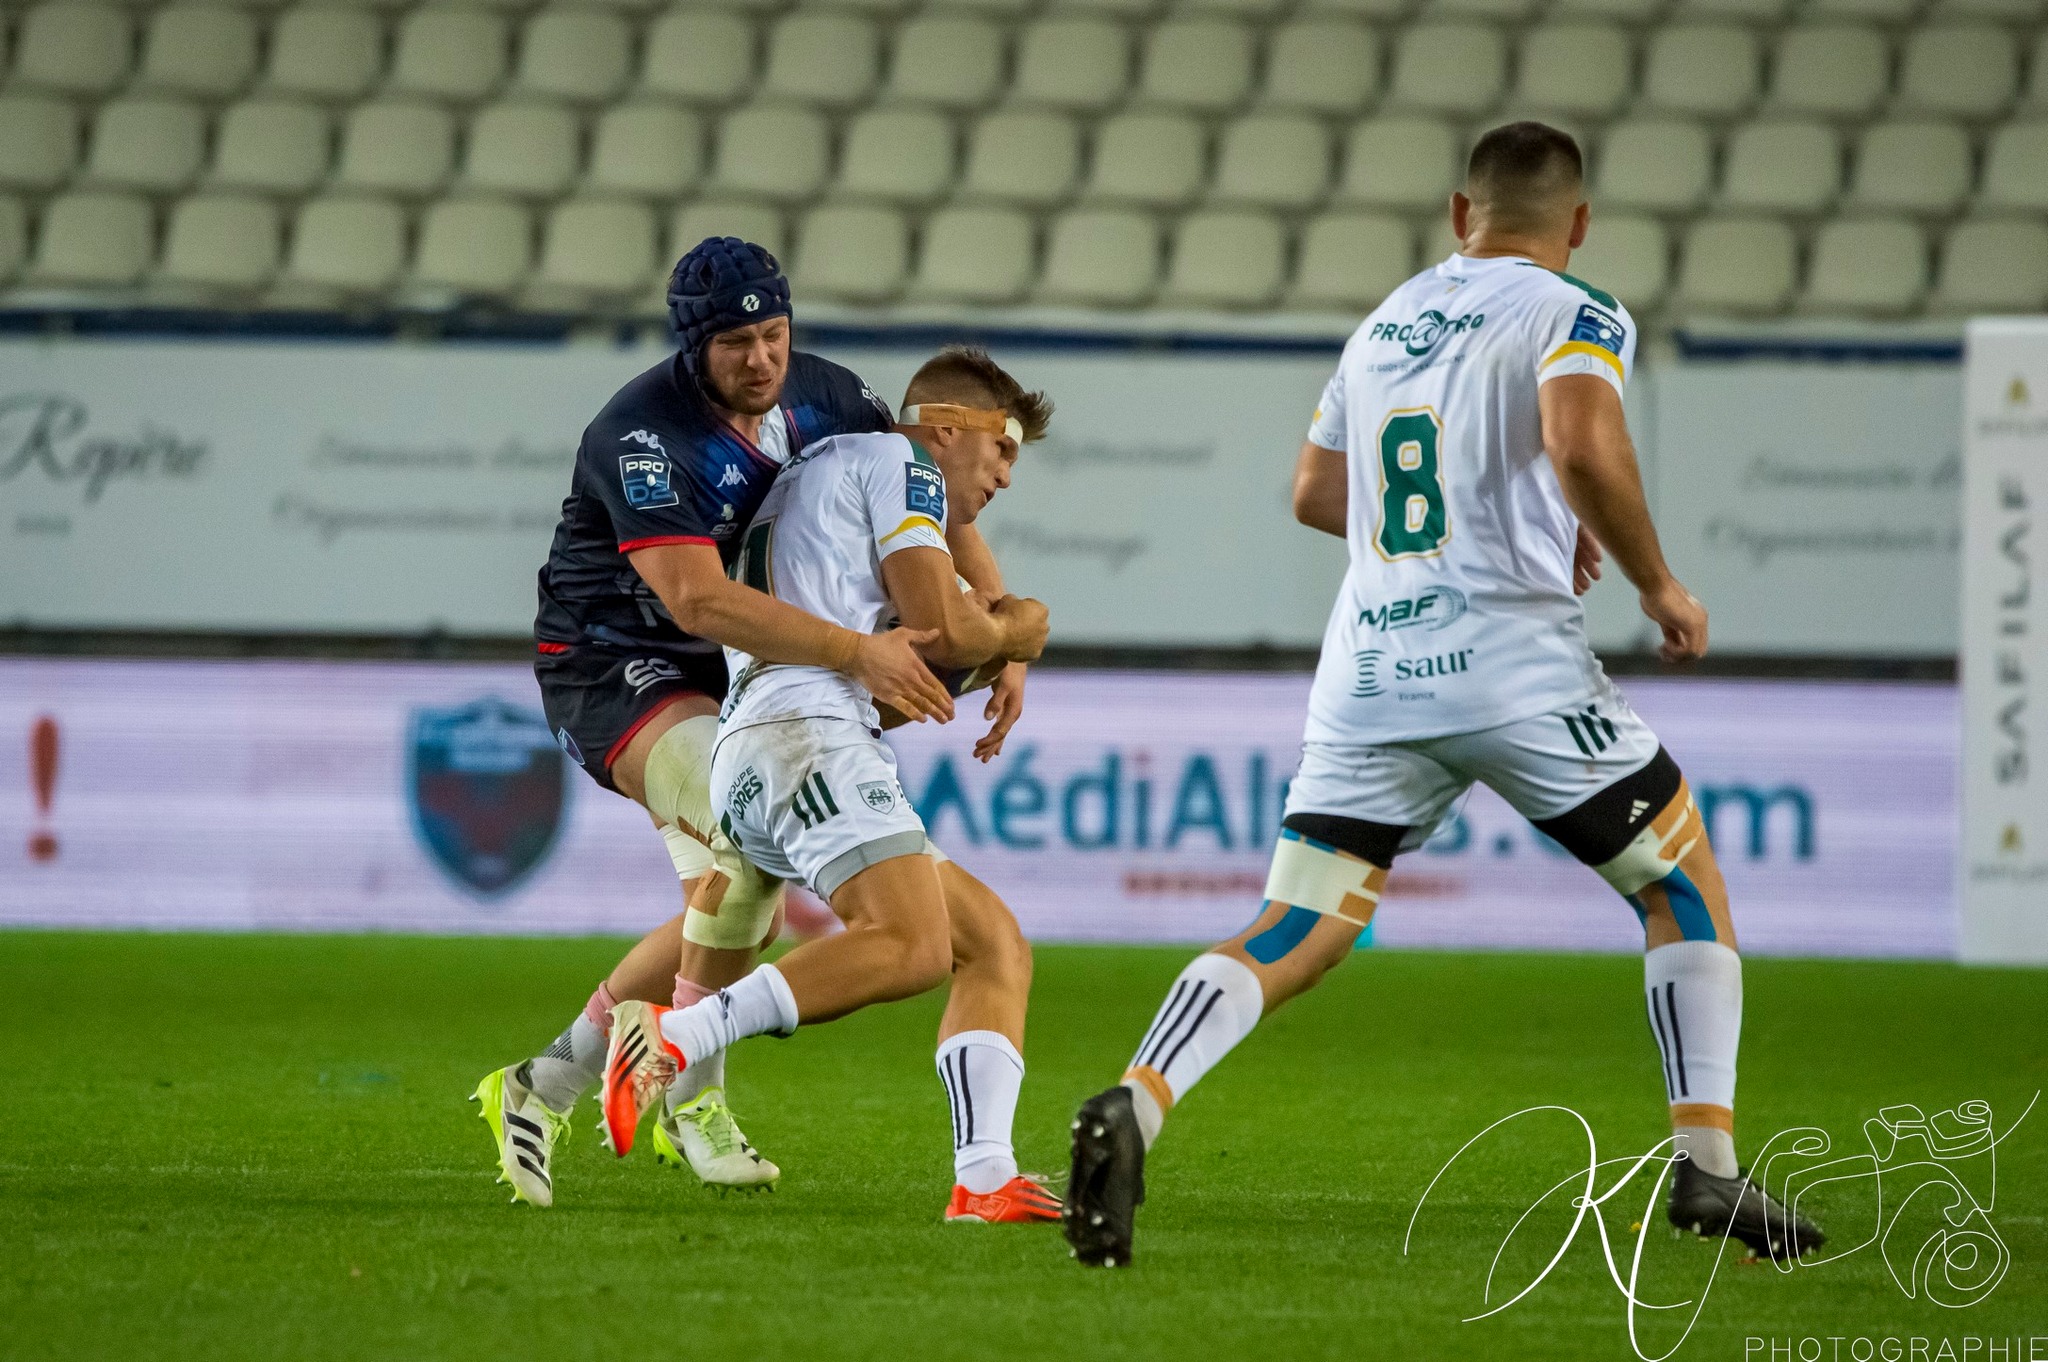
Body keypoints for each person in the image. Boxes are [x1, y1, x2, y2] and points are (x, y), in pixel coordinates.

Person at [1061, 122, 1826, 1268]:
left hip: (1368, 672)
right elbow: (1578, 440)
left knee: (1297, 927)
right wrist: (1653, 581)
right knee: (1679, 883)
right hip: (1509, 664)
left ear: (1455, 213)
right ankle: (1707, 1170)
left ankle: (1135, 1100)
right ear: (1574, 225)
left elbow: (1319, 491)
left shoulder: (1384, 325)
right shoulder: (1573, 307)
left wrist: (1492, 525)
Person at [473, 240, 1026, 1208]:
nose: (762, 360)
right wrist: (856, 652)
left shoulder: (822, 393)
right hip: (616, 662)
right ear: (693, 343)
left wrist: (996, 615)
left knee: (760, 897)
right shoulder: (641, 436)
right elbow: (697, 602)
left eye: (774, 334)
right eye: (737, 343)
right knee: (741, 867)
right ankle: (689, 1094)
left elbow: (923, 483)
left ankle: (545, 1081)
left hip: (754, 663)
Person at [600, 347, 1065, 1225]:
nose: (1005, 478)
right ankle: (672, 1035)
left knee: (991, 944)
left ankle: (983, 1176)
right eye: (1003, 451)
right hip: (803, 736)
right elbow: (942, 628)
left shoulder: (830, 470)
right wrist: (1025, 626)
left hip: (784, 738)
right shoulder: (899, 463)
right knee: (911, 945)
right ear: (950, 428)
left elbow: (919, 655)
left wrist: (987, 640)